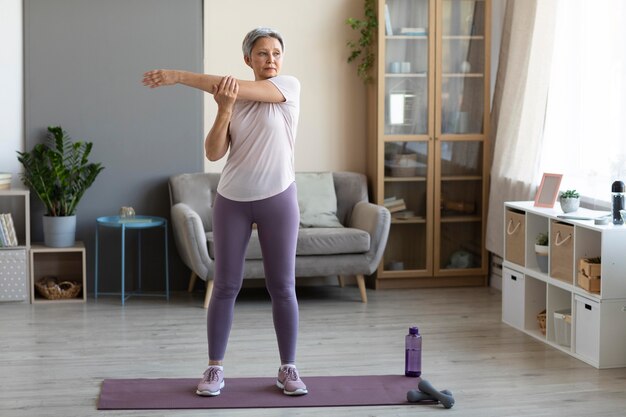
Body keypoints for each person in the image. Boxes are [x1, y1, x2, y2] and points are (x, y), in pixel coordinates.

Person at [142, 27, 307, 397]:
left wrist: (177, 76)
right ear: (247, 59)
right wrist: (224, 109)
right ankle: (214, 368)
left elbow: (227, 84)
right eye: (263, 54)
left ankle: (288, 368)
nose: (271, 60)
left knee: (282, 286)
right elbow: (214, 153)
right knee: (225, 286)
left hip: (278, 198)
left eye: (276, 53)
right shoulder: (236, 99)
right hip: (232, 199)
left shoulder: (287, 88)